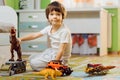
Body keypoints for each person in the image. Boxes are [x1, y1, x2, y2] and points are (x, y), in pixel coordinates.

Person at [18, 1, 72, 71]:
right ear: (48, 17)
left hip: (61, 58)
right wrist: (21, 39)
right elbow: (35, 35)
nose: (55, 17)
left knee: (34, 63)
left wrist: (55, 63)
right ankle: (46, 62)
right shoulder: (49, 28)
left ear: (62, 16)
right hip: (52, 51)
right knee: (31, 57)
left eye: (58, 14)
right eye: (52, 14)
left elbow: (61, 50)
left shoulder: (64, 31)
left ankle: (57, 67)